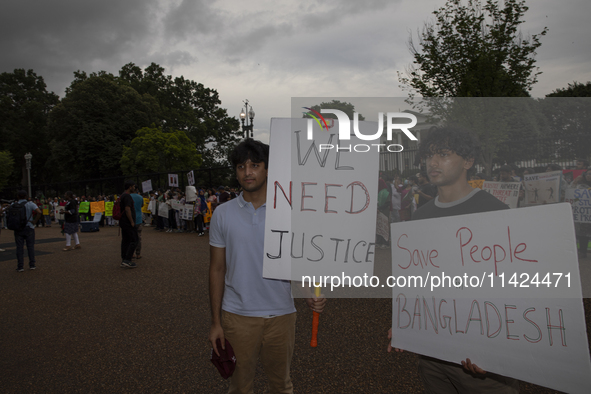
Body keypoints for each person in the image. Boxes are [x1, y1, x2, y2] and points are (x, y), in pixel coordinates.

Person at [387, 127, 518, 393]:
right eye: (429, 155)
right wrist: (403, 322)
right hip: (433, 355)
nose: (432, 162)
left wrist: (496, 353)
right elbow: (417, 279)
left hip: (484, 361)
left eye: (444, 154)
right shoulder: (421, 217)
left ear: (468, 161)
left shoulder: (495, 212)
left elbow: (515, 288)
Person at [208, 139, 326, 393]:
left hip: (281, 314)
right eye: (241, 166)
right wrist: (216, 322)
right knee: (239, 387)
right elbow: (217, 269)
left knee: (281, 386)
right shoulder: (222, 213)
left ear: (268, 169)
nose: (247, 172)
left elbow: (295, 259)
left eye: (255, 165)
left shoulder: (289, 211)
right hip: (237, 316)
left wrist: (308, 293)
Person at [10, 190, 42, 271]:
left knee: (19, 247)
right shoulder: (30, 204)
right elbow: (39, 212)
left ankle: (20, 266)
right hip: (29, 226)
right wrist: (34, 221)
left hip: (18, 227)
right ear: (26, 196)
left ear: (18, 196)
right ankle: (32, 264)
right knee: (30, 247)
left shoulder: (14, 204)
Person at [119, 181, 138, 268]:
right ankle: (128, 259)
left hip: (123, 221)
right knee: (134, 239)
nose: (134, 188)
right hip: (127, 222)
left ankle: (124, 258)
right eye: (133, 186)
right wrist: (132, 221)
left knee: (126, 240)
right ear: (130, 187)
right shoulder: (127, 196)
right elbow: (127, 209)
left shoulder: (122, 195)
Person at [130, 188, 144, 260]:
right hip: (138, 218)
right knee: (139, 237)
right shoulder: (140, 197)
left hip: (131, 218)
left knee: (131, 237)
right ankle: (138, 253)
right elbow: (142, 205)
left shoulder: (128, 196)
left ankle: (132, 253)